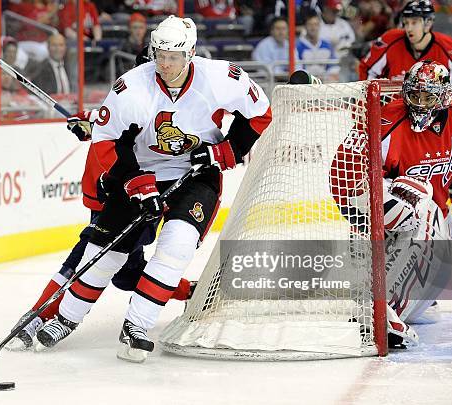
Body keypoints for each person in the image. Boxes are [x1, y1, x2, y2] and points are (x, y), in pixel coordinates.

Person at [32, 15, 272, 363]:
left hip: (195, 174)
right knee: (106, 250)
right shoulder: (131, 87)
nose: (164, 63)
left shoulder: (222, 78)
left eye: (173, 56)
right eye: (158, 54)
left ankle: (137, 326)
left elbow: (260, 114)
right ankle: (65, 318)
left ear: (190, 54)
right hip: (140, 171)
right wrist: (136, 182)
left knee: (178, 244)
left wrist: (226, 151)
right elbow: (106, 141)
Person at [332, 60, 452, 348]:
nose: (419, 105)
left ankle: (389, 307)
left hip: (436, 245)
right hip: (386, 238)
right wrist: (374, 213)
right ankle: (384, 305)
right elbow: (341, 176)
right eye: (414, 96)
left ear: (444, 97)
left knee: (425, 197)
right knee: (416, 191)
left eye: (428, 97)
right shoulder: (382, 121)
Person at [358, 0, 452, 104]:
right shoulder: (389, 41)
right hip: (395, 113)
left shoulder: (451, 49)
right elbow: (367, 72)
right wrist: (371, 109)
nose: (409, 28)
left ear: (428, 23)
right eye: (406, 23)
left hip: (436, 116)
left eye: (414, 22)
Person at [297, 11, 339, 82]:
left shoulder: (327, 45)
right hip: (305, 83)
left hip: (324, 82)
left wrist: (328, 77)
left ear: (319, 26)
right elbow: (297, 68)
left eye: (316, 24)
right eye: (310, 24)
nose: (313, 28)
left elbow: (333, 66)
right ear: (305, 26)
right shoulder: (298, 45)